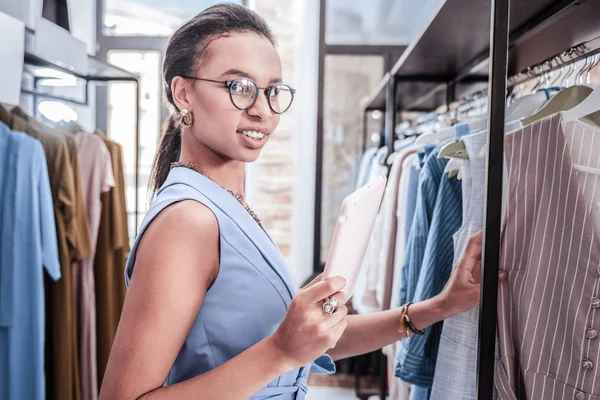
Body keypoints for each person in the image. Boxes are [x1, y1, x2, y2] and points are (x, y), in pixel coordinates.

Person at [99, 4, 504, 400]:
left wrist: (436, 307)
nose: (262, 110)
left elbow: (309, 345)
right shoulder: (188, 221)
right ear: (183, 92)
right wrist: (280, 351)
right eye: (239, 87)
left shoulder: (227, 205)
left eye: (273, 90)